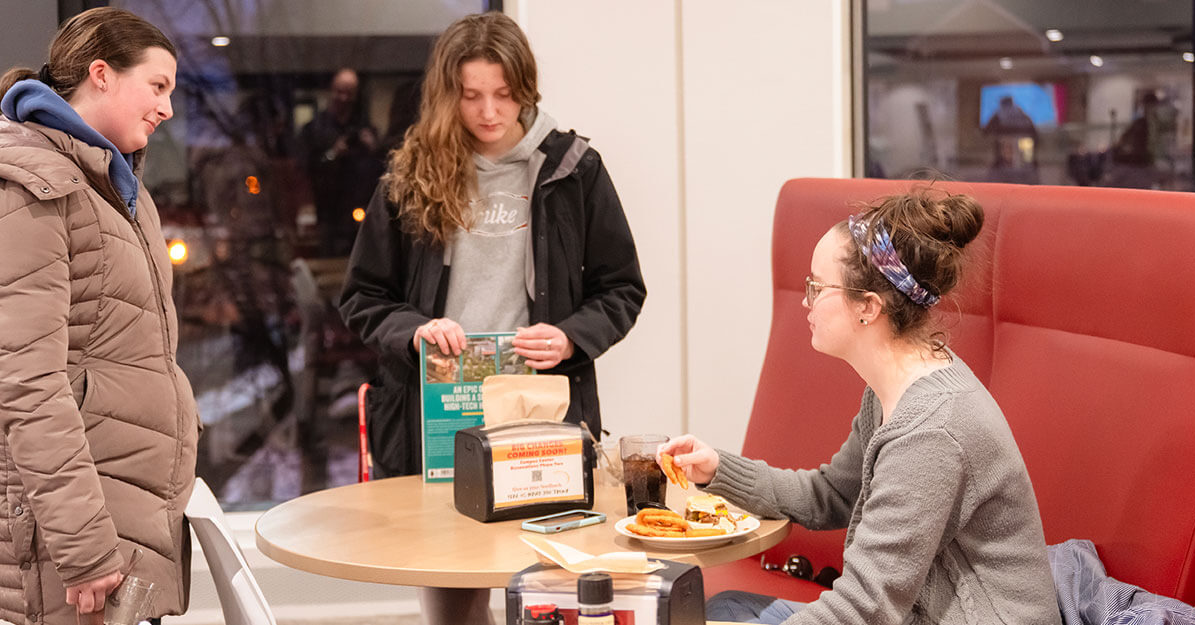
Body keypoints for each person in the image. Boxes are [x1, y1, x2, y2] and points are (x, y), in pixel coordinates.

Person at [0, 8, 197, 625]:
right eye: (157, 86)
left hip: (120, 499)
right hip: (69, 527)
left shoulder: (107, 185)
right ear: (101, 74)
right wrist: (83, 547)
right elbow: (28, 383)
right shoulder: (15, 187)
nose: (167, 108)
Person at [666, 188, 1059, 624]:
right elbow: (832, 494)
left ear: (868, 307)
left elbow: (863, 609)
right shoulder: (894, 389)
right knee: (726, 608)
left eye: (817, 287)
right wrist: (718, 469)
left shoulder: (931, 432)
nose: (805, 300)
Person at [339, 11, 645, 480]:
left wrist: (571, 338)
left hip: (540, 412)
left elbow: (622, 288)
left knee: (537, 527)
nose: (488, 112)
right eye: (471, 96)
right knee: (432, 528)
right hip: (433, 413)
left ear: (526, 89)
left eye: (504, 95)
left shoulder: (575, 171)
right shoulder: (411, 176)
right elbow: (363, 297)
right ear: (448, 96)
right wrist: (415, 332)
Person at [300, 68, 386, 256]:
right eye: (340, 91)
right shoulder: (315, 129)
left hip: (360, 210)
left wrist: (374, 148)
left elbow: (381, 169)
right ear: (331, 91)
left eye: (349, 93)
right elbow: (307, 168)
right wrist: (333, 153)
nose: (344, 98)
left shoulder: (364, 128)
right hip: (328, 211)